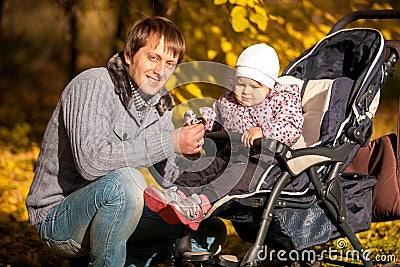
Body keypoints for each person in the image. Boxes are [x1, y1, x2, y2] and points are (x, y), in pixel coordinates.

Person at [25, 16, 227, 267]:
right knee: (126, 183)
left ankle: (108, 259)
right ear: (130, 55)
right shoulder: (94, 84)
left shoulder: (161, 105)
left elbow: (170, 176)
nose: (160, 70)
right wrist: (169, 142)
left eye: (170, 63)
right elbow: (91, 162)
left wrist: (206, 157)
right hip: (60, 215)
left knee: (209, 231)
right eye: (153, 58)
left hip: (117, 210)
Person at [144, 43, 304, 231]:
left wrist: (264, 131)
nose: (245, 91)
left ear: (269, 87)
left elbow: (291, 127)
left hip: (259, 161)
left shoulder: (281, 100)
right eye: (240, 84)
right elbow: (215, 116)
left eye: (255, 86)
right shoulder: (229, 100)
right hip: (227, 153)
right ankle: (176, 195)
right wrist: (199, 123)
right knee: (203, 165)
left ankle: (200, 204)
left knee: (232, 176)